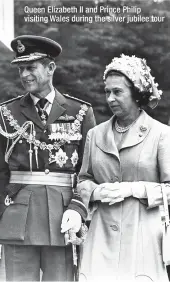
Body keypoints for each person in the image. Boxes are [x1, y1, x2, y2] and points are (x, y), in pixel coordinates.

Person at [0, 35, 96, 281]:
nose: (24, 74)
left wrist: (78, 208)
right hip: (18, 216)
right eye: (20, 68)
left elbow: (88, 170)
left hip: (63, 215)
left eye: (31, 67)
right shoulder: (4, 114)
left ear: (50, 68)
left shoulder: (80, 112)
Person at [77, 54, 170, 282]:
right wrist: (97, 192)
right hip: (100, 237)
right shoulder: (95, 134)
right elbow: (83, 180)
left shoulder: (161, 134)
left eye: (117, 92)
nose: (110, 98)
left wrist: (132, 189)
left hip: (143, 238)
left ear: (136, 93)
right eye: (107, 91)